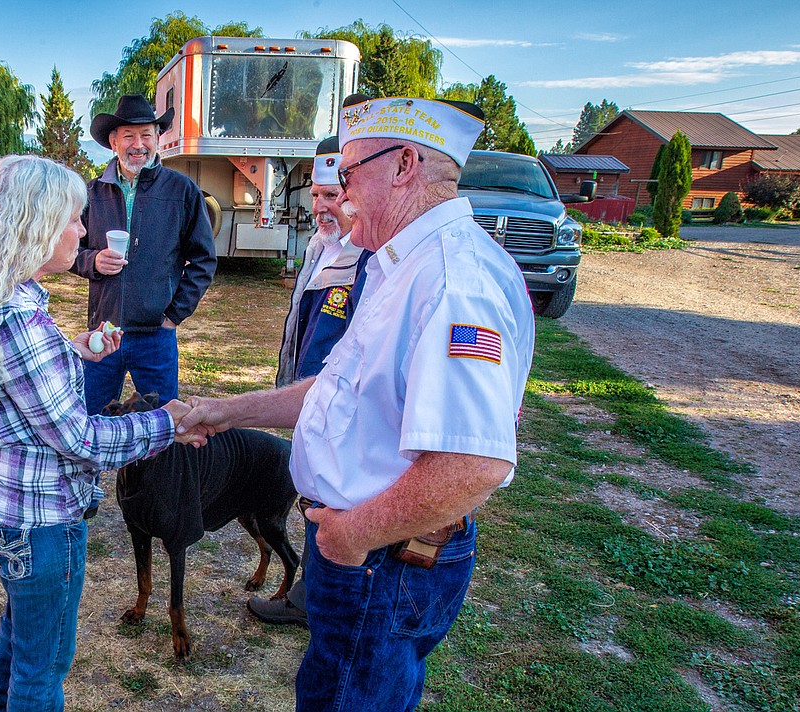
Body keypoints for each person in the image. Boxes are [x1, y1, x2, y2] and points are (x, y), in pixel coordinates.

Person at [178, 98, 536, 710]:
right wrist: (228, 412)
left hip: (382, 560)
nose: (338, 195)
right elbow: (343, 392)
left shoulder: (452, 280)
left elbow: (474, 463)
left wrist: (350, 537)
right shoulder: (401, 263)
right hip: (371, 554)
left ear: (403, 165)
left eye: (347, 175)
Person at [0, 155, 201, 711]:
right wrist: (170, 423)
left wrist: (75, 350)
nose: (83, 230)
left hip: (0, 506)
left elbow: (18, 389)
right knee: (45, 662)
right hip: (39, 522)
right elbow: (80, 439)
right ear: (34, 226)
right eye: (74, 219)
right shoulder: (19, 319)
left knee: (24, 628)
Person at [249, 135, 363, 628]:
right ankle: (314, 591)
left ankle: (318, 598)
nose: (320, 206)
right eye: (314, 194)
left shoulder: (368, 258)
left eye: (331, 196)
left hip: (342, 408)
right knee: (313, 492)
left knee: (335, 498)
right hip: (308, 396)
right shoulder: (321, 246)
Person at [71, 94, 217, 419]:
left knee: (162, 428)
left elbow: (204, 259)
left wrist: (174, 315)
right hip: (103, 333)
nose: (138, 144)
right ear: (113, 142)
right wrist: (92, 262)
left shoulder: (182, 191)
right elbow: (69, 251)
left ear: (157, 138)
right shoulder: (91, 194)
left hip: (156, 337)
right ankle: (94, 473)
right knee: (89, 424)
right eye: (129, 136)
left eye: (146, 135)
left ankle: (149, 473)